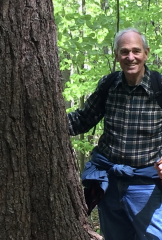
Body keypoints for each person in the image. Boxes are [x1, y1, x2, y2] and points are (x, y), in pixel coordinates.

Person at [68, 27, 162, 240]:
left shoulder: (159, 87)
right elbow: (83, 119)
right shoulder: (109, 85)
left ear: (146, 53)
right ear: (117, 55)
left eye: (136, 51)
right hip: (109, 182)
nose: (131, 57)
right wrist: (45, 123)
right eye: (124, 51)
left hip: (146, 185)